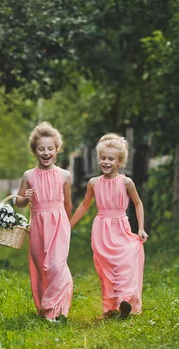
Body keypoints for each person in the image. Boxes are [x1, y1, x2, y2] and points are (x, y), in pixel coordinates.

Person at [70, 133, 148, 319]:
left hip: (121, 228)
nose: (106, 162)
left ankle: (123, 302)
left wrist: (141, 228)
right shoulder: (93, 183)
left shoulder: (126, 182)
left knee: (125, 263)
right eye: (103, 158)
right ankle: (110, 308)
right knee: (107, 269)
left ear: (119, 162)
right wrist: (69, 225)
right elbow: (84, 205)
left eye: (111, 159)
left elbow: (138, 203)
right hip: (101, 230)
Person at [15, 121, 73, 321]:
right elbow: (19, 203)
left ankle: (55, 310)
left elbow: (68, 204)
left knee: (57, 265)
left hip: (59, 224)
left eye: (50, 148)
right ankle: (45, 308)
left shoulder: (65, 175)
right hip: (38, 225)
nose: (46, 152)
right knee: (41, 268)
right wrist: (26, 197)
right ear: (34, 151)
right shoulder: (29, 176)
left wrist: (68, 225)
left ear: (57, 150)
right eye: (41, 149)